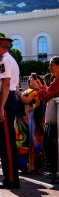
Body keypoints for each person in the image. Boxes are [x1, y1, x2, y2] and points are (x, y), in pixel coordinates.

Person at [0, 37, 20, 189]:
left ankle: (11, 179)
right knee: (4, 141)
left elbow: (6, 84)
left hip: (6, 103)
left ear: (0, 46)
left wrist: (0, 107)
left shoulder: (4, 61)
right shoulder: (8, 60)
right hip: (7, 101)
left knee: (6, 142)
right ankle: (9, 177)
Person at [29, 56, 59, 184]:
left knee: (52, 144)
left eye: (51, 64)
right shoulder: (56, 80)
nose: (49, 67)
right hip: (53, 117)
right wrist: (41, 86)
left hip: (55, 118)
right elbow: (49, 92)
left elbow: (46, 96)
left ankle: (56, 172)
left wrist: (37, 88)